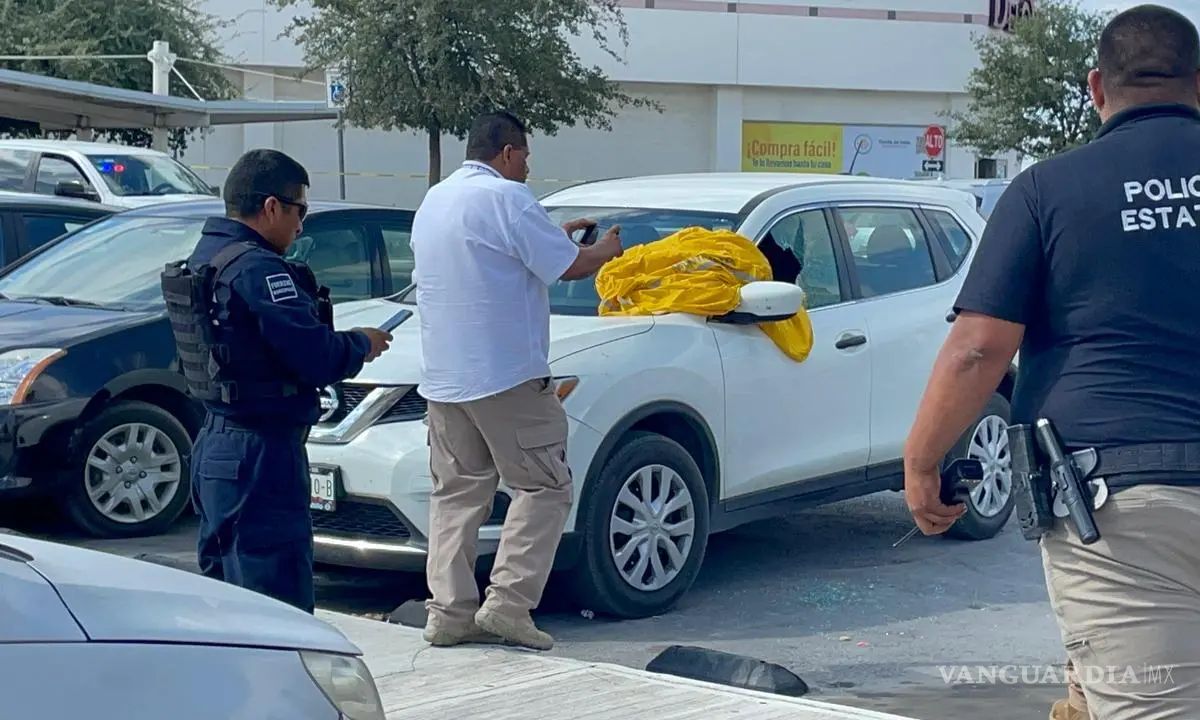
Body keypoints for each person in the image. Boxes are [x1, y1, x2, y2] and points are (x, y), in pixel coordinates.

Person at [902, 5, 1200, 718]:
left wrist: (921, 464)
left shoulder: (1048, 190)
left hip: (1123, 511)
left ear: (1096, 87)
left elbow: (979, 348)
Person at [411, 110, 624, 651]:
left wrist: (556, 238)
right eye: (526, 154)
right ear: (506, 152)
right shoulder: (509, 198)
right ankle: (508, 603)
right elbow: (571, 267)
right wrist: (607, 250)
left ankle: (449, 614)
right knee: (545, 486)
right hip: (506, 375)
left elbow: (496, 257)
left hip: (444, 379)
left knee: (457, 495)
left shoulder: (435, 201)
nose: (529, 164)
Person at [166, 149, 392, 613]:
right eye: (299, 210)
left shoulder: (208, 255)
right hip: (260, 454)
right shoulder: (258, 269)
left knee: (227, 601)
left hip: (218, 444)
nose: (301, 225)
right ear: (271, 207)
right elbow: (314, 356)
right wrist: (361, 344)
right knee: (276, 603)